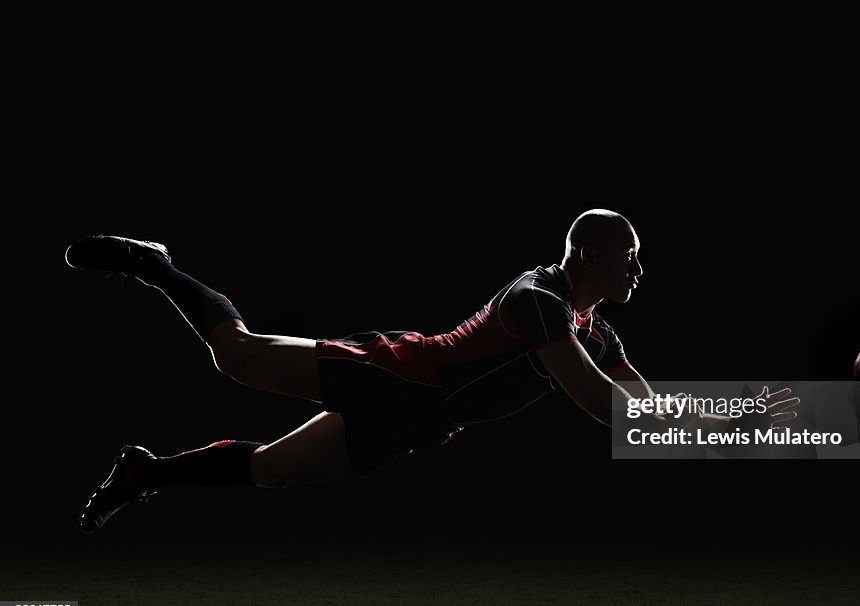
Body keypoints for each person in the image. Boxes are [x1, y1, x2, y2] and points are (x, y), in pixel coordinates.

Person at [67, 209, 798, 533]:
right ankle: (153, 265)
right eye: (628, 252)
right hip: (397, 375)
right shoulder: (539, 300)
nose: (640, 265)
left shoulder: (597, 331)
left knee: (270, 473)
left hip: (423, 422)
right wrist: (741, 417)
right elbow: (608, 411)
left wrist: (735, 417)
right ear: (587, 256)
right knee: (237, 355)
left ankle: (144, 473)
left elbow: (644, 407)